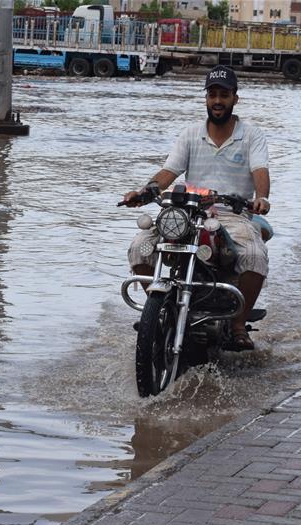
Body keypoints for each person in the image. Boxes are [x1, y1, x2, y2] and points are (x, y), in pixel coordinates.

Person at [121, 65, 271, 351]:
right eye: (212, 94)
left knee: (254, 256)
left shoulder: (252, 135)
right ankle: (160, 311)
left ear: (234, 98)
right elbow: (169, 171)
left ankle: (238, 325)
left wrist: (261, 197)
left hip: (232, 214)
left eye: (224, 95)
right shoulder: (190, 134)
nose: (217, 100)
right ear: (205, 99)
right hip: (188, 212)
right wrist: (144, 192)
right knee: (140, 247)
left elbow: (260, 171)